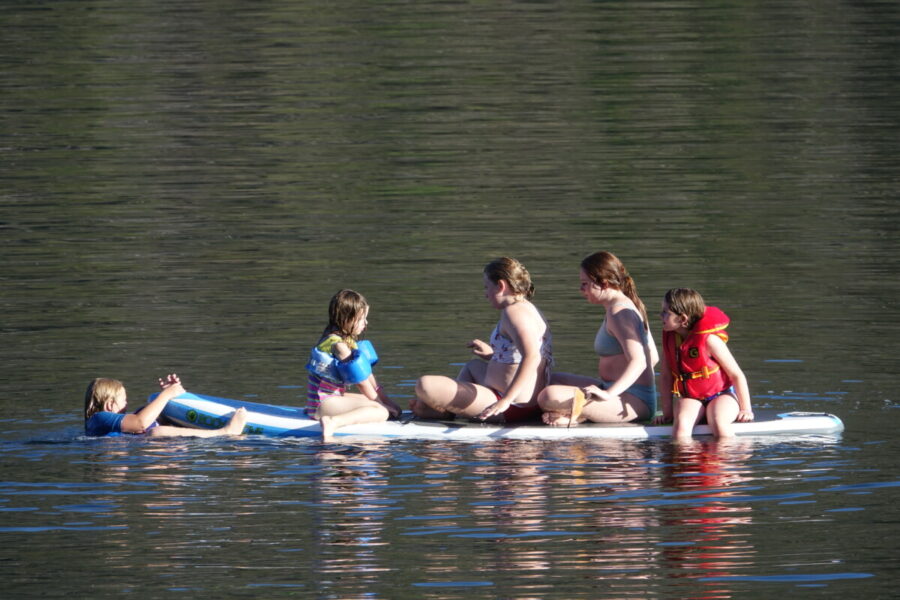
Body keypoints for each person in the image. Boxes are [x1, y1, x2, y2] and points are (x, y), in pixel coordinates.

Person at [411, 257, 553, 423]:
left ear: (501, 286)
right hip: (517, 399)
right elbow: (519, 355)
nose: (485, 294)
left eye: (487, 287)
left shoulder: (513, 313)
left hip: (510, 406)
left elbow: (532, 356)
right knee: (473, 367)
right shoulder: (527, 308)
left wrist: (505, 400)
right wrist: (493, 355)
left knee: (425, 385)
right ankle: (449, 410)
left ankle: (446, 411)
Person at [538, 251, 658, 425]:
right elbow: (654, 357)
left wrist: (609, 394)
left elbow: (641, 361)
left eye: (585, 284)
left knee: (549, 395)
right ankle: (581, 413)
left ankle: (580, 415)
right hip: (612, 388)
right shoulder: (623, 306)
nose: (581, 289)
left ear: (604, 283)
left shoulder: (620, 313)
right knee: (548, 378)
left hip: (633, 402)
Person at [653, 288, 753, 440]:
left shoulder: (710, 340)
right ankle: (684, 463)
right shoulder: (671, 341)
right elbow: (666, 377)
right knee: (681, 428)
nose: (661, 315)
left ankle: (731, 460)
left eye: (666, 312)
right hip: (691, 398)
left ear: (682, 319)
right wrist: (667, 413)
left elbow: (736, 375)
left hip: (721, 395)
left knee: (719, 423)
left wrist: (746, 409)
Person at [305, 289, 401, 441]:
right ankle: (333, 422)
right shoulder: (338, 346)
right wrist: (381, 406)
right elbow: (361, 382)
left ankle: (333, 415)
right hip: (322, 404)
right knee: (381, 412)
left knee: (378, 406)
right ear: (347, 319)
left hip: (332, 398)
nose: (366, 323)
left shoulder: (346, 341)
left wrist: (388, 402)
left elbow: (367, 374)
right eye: (362, 319)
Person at [84, 373, 247, 437]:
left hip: (148, 448)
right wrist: (167, 394)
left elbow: (145, 419)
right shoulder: (98, 418)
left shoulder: (106, 421)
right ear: (110, 405)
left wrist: (174, 397)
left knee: (147, 414)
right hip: (146, 448)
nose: (127, 403)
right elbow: (141, 423)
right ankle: (225, 431)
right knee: (156, 431)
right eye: (124, 400)